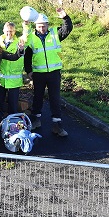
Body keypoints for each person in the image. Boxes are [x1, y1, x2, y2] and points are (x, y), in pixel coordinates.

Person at [24, 7, 73, 136]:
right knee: (38, 97)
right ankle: (36, 120)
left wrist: (65, 17)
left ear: (47, 25)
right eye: (39, 26)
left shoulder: (55, 33)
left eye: (44, 26)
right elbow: (27, 56)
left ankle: (57, 125)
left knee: (55, 98)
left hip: (54, 73)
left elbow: (67, 29)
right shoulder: (31, 38)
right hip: (38, 73)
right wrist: (28, 71)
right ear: (36, 26)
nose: (42, 28)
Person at [0, 22, 26, 118]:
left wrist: (21, 50)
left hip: (14, 80)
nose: (9, 33)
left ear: (14, 31)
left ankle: (13, 126)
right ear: (3, 31)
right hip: (1, 80)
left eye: (11, 31)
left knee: (13, 106)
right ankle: (0, 123)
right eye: (7, 31)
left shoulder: (19, 42)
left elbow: (20, 55)